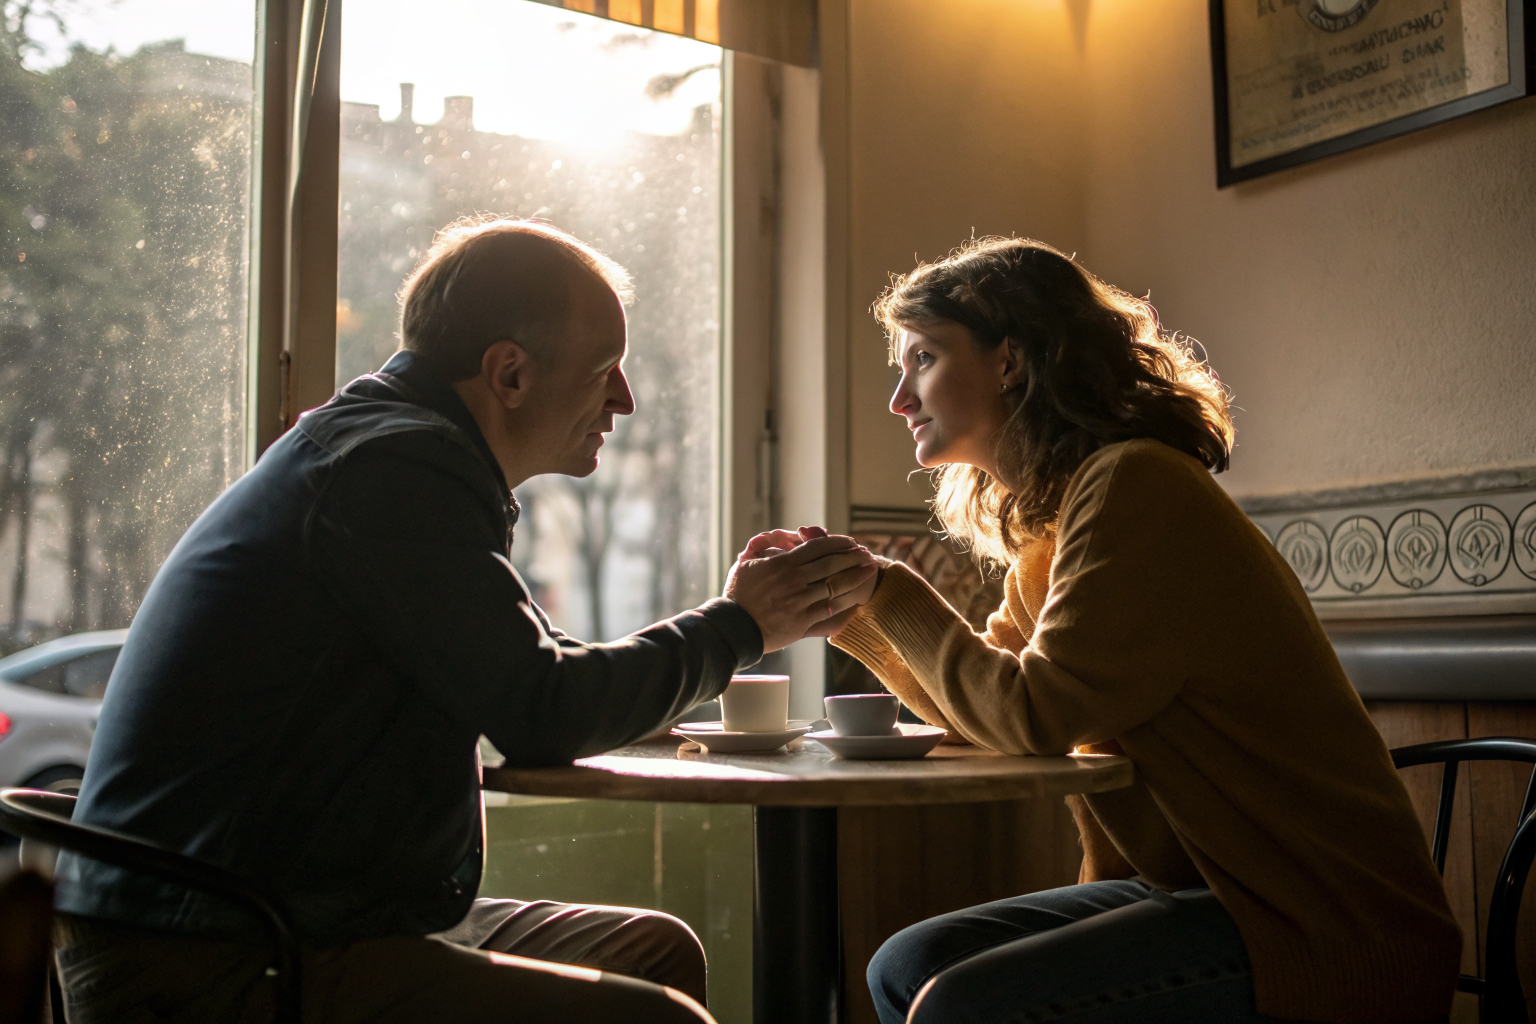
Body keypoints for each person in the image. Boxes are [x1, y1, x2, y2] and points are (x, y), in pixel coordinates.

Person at [52, 217, 877, 1023]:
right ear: (509, 374)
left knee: (653, 952)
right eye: (605, 369)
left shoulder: (385, 454)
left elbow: (529, 675)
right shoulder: (390, 469)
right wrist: (737, 627)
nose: (624, 400)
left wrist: (730, 621)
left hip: (304, 913)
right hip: (217, 955)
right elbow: (543, 709)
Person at [792, 237, 1460, 1022]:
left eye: (923, 360)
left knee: (960, 1004)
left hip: (1316, 915)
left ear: (1010, 360)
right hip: (1203, 888)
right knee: (910, 966)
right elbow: (987, 718)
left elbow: (1032, 713)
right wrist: (860, 613)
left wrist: (892, 590)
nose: (900, 398)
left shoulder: (1135, 486)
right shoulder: (1060, 518)